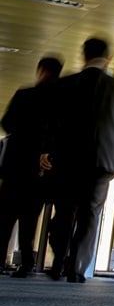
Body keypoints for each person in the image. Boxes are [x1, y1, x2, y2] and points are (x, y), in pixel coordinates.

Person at [45, 38, 114, 282]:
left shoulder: (65, 84)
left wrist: (47, 152)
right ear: (109, 59)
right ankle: (76, 268)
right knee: (89, 214)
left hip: (68, 159)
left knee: (63, 211)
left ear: (83, 56)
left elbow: (52, 124)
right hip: (103, 161)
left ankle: (57, 263)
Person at [0, 56, 62, 277]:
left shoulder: (24, 95)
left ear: (40, 70)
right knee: (29, 218)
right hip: (40, 169)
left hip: (16, 164)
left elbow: (6, 123)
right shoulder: (61, 101)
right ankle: (27, 262)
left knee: (5, 217)